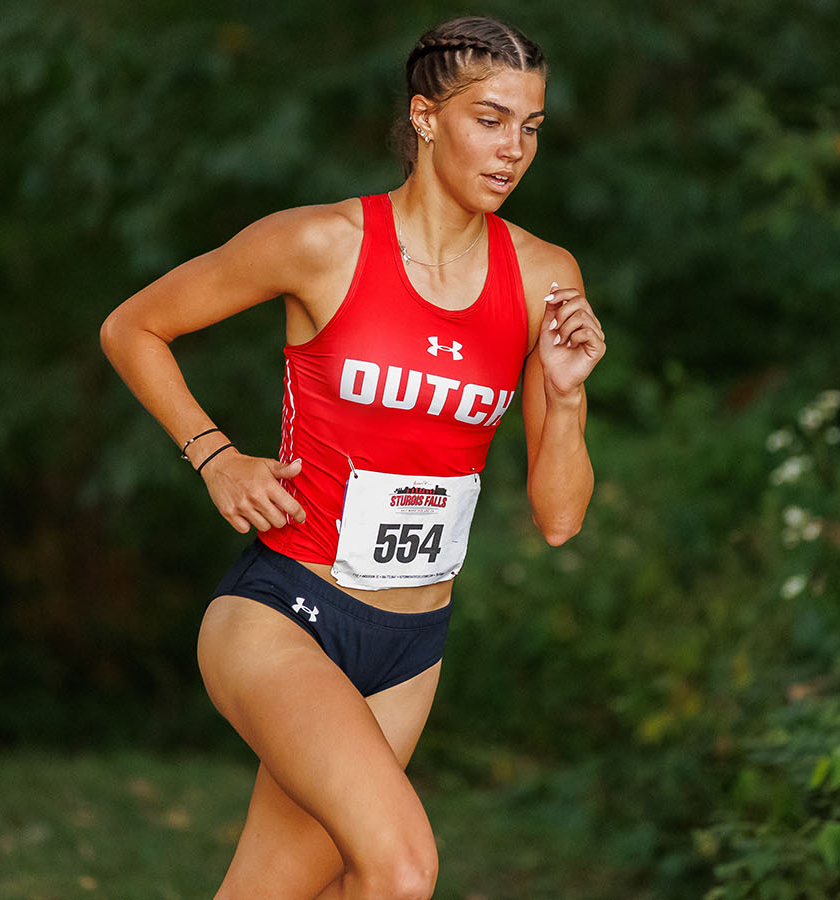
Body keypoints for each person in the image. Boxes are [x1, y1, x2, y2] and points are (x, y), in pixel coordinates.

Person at [100, 15, 604, 899]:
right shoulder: (323, 243)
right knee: (401, 871)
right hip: (286, 615)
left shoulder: (543, 277)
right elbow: (132, 326)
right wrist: (216, 456)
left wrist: (562, 396)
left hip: (410, 647)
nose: (513, 149)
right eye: (489, 119)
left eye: (530, 126)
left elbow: (560, 519)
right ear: (424, 116)